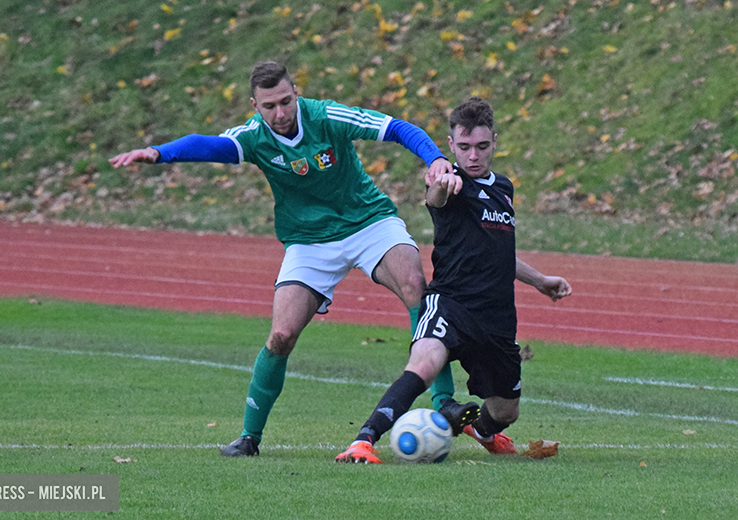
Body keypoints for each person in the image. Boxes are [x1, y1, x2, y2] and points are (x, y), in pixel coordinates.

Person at [109, 60, 468, 457]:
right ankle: (249, 437)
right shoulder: (254, 136)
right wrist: (159, 153)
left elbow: (398, 128)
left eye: (286, 101)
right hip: (308, 242)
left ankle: (443, 402)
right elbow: (208, 144)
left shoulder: (327, 116)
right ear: (255, 105)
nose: (280, 113)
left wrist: (436, 158)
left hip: (368, 222)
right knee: (280, 336)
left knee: (417, 287)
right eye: (269, 106)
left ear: (296, 93)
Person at [335, 96, 572, 464]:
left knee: (506, 412)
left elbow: (498, 252)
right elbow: (436, 196)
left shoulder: (503, 189)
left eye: (481, 146)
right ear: (451, 146)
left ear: (494, 141)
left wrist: (539, 280)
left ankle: (479, 430)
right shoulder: (449, 181)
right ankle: (363, 441)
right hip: (451, 303)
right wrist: (442, 181)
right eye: (463, 148)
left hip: (496, 318)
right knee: (424, 363)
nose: (472, 156)